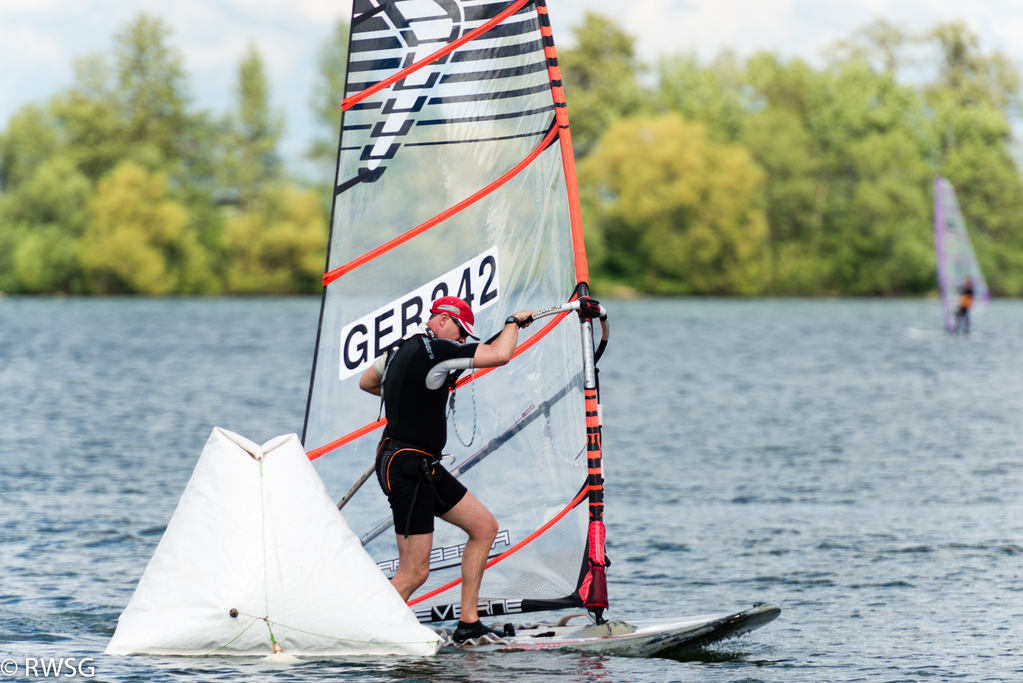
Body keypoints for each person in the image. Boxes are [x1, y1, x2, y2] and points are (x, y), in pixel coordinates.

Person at [359, 295, 533, 644]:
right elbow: (499, 355)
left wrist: (406, 396)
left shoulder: (395, 352)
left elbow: (367, 382)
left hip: (421, 465)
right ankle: (364, 636)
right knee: (415, 572)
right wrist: (513, 322)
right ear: (441, 319)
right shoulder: (435, 349)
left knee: (484, 528)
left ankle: (468, 622)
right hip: (407, 467)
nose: (461, 341)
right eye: (460, 332)